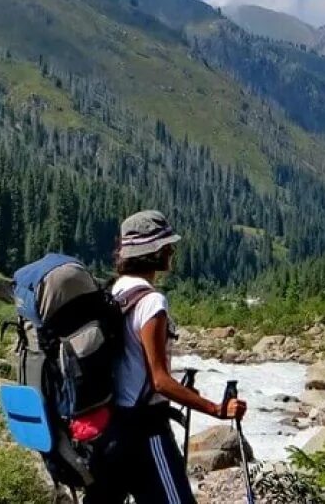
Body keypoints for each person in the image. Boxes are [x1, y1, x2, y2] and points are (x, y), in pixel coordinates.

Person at [85, 210, 248, 504]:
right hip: (145, 432)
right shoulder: (151, 301)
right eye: (166, 245)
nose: (172, 250)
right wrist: (217, 409)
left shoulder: (115, 291)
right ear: (152, 252)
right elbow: (159, 381)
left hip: (110, 430)